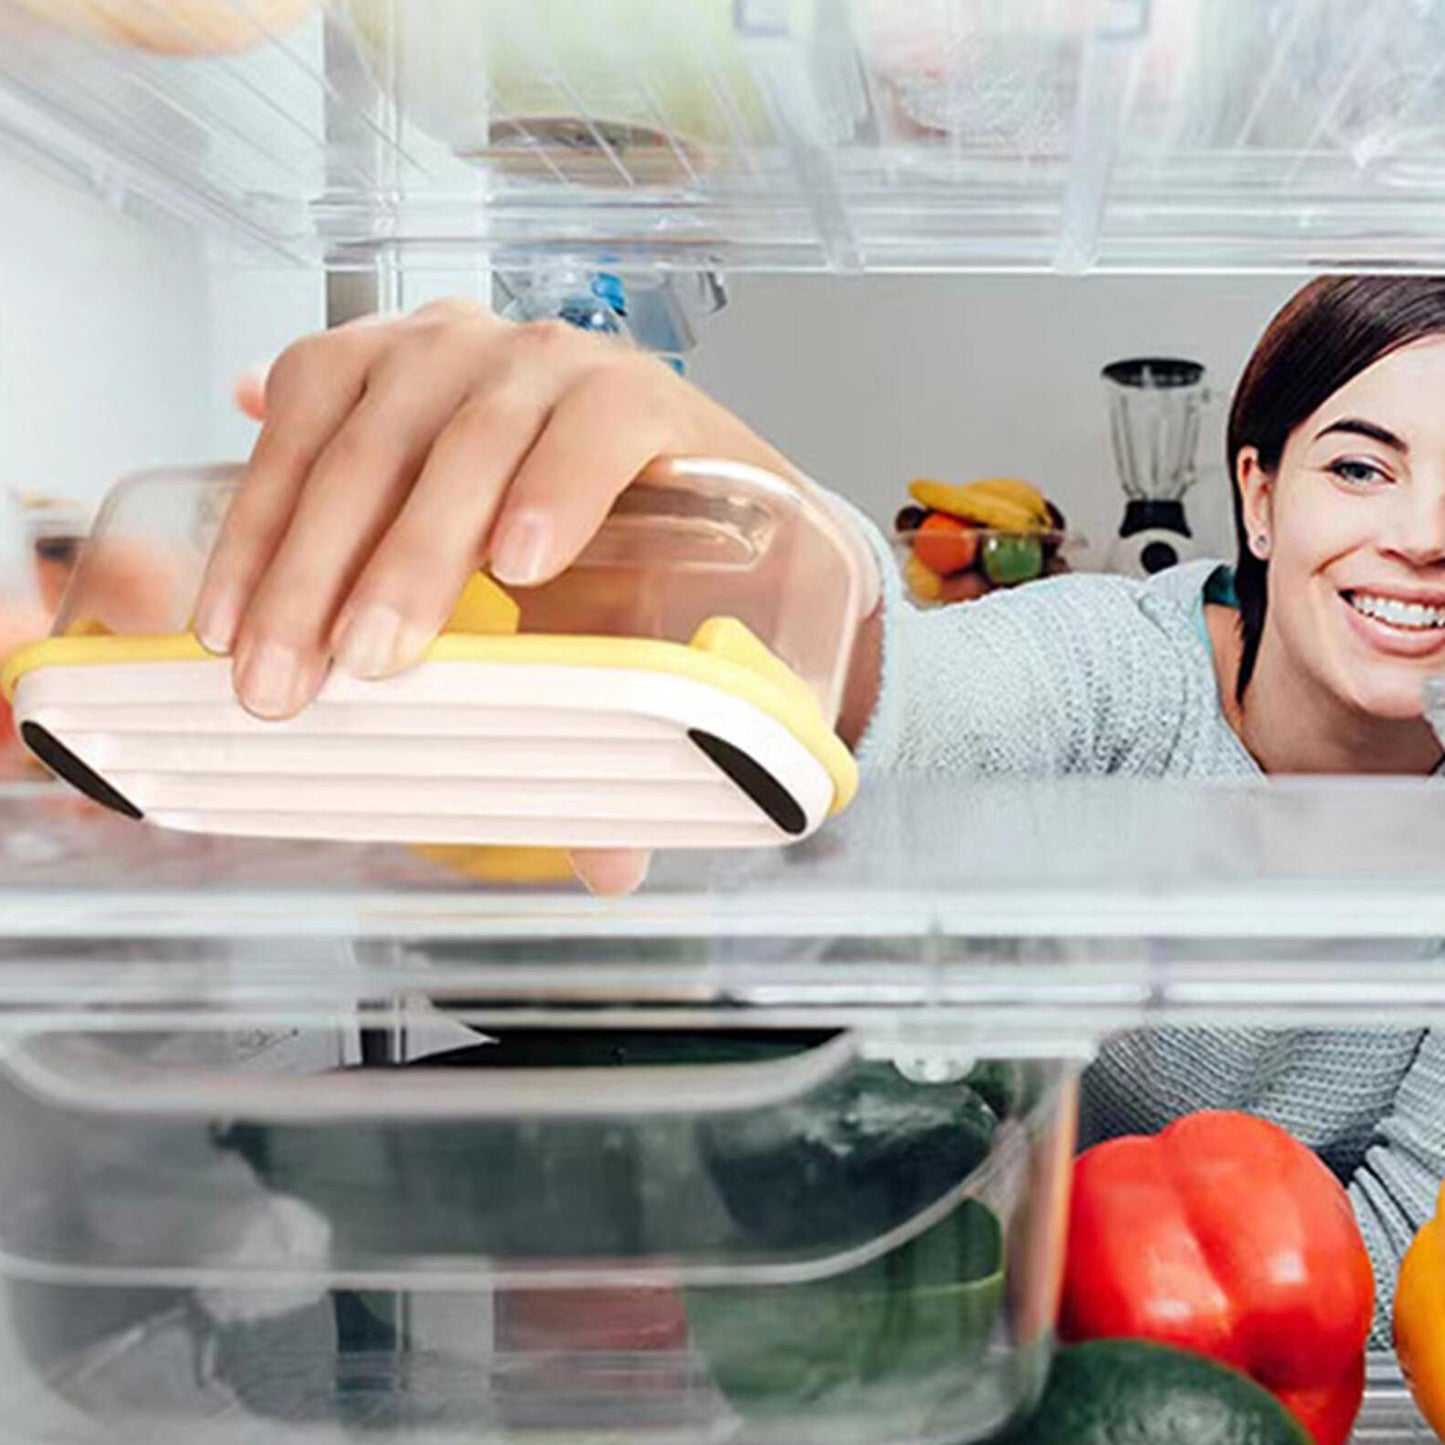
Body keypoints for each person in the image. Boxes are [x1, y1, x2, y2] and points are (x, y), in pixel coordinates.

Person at [197, 276, 1445, 1339]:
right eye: (1357, 467)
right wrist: (784, 565)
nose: (1422, 535)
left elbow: (1412, 1254)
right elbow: (914, 705)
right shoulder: (1121, 664)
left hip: (1144, 1337)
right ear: (1262, 494)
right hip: (929, 1283)